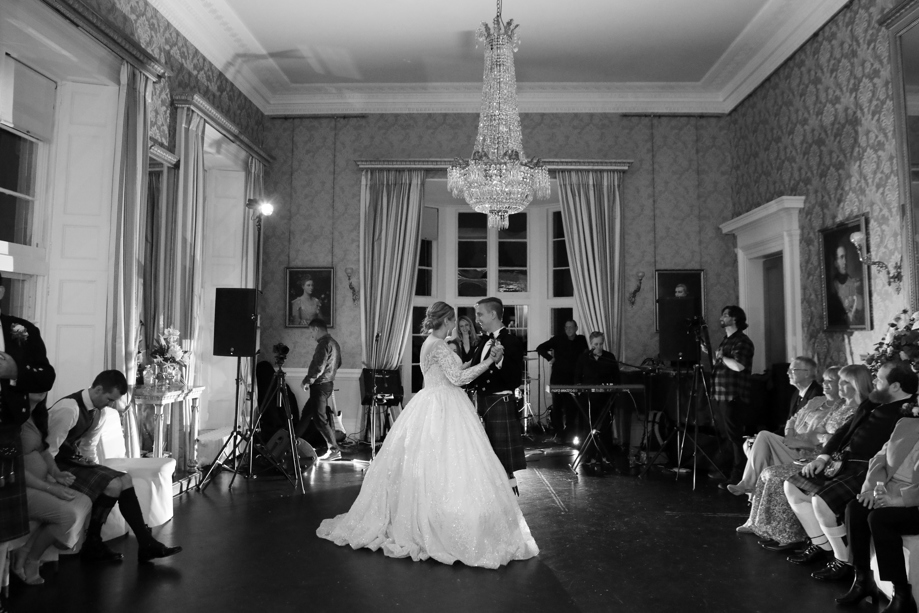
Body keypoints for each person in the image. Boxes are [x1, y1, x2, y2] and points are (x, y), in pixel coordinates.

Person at [316, 302, 538, 568]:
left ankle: (436, 512)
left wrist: (475, 361)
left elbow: (452, 370)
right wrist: (490, 361)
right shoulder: (439, 346)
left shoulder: (430, 343)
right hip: (445, 405)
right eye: (453, 321)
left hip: (435, 401)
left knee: (436, 461)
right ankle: (439, 521)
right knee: (449, 461)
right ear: (445, 321)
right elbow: (458, 379)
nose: (456, 325)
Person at [783, 361, 917, 582]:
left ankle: (842, 561)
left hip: (865, 467)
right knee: (793, 486)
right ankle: (821, 545)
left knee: (821, 502)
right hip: (840, 461)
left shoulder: (909, 412)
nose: (875, 382)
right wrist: (822, 457)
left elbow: (891, 455)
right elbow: (844, 430)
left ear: (895, 386)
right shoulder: (873, 401)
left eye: (880, 379)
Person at [47, 370, 182, 563]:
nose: (110, 404)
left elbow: (88, 448)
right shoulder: (69, 409)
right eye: (109, 399)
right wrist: (53, 478)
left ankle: (145, 543)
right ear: (98, 389)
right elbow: (49, 449)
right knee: (111, 484)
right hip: (57, 465)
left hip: (73, 461)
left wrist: (97, 470)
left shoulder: (98, 412)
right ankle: (95, 543)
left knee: (124, 479)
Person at [739, 364, 868, 550]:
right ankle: (769, 529)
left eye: (844, 382)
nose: (839, 385)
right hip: (820, 456)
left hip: (836, 463)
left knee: (777, 476)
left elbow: (847, 441)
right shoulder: (840, 406)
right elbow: (818, 433)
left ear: (857, 384)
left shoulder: (860, 410)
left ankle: (791, 536)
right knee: (768, 468)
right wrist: (821, 438)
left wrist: (822, 439)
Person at [0, 270, 56, 596]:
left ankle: (2, 592)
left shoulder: (22, 331)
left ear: (1, 292)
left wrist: (15, 372)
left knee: (1, 529)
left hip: (5, 436)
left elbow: (46, 377)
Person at [837, 409, 919, 611]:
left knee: (880, 518)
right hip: (889, 491)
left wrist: (899, 500)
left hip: (913, 501)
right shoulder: (906, 424)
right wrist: (872, 489)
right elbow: (879, 458)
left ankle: (902, 595)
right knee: (855, 508)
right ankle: (863, 581)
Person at [13, 393, 91, 585]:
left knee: (84, 501)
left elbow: (44, 450)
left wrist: (56, 473)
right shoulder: (11, 418)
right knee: (68, 515)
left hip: (41, 481)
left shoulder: (36, 415)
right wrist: (49, 488)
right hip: (19, 487)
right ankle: (31, 559)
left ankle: (24, 552)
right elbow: (14, 466)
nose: (41, 391)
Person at [726, 366, 842, 496]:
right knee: (755, 441)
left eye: (830, 381)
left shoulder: (839, 409)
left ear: (841, 384)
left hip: (809, 453)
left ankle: (749, 487)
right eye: (824, 380)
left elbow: (829, 442)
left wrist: (798, 443)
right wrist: (790, 437)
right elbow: (792, 420)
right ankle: (751, 489)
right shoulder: (817, 400)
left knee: (763, 440)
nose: (824, 384)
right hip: (792, 445)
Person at [469, 297, 527, 495]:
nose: (477, 319)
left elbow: (514, 380)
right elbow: (474, 371)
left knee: (502, 454)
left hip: (500, 402)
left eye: (480, 314)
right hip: (483, 401)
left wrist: (500, 361)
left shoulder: (512, 341)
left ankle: (508, 492)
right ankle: (492, 494)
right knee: (487, 452)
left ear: (493, 314)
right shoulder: (482, 341)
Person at [707, 305, 754, 484]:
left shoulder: (742, 341)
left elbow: (738, 366)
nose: (722, 318)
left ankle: (738, 475)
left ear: (735, 319)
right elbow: (720, 362)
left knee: (734, 436)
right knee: (726, 434)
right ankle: (726, 469)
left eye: (725, 315)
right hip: (721, 394)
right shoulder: (726, 340)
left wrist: (721, 358)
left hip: (733, 395)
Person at [296, 319, 342, 461]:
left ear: (316, 329)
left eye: (311, 332)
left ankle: (334, 450)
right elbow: (338, 363)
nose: (311, 335)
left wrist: (308, 380)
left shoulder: (323, 344)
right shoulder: (334, 343)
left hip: (320, 386)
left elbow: (318, 367)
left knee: (320, 419)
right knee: (306, 415)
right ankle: (291, 442)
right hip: (327, 385)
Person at [536, 320, 588, 443]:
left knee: (572, 407)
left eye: (571, 327)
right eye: (566, 327)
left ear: (576, 328)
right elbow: (540, 348)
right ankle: (559, 433)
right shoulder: (558, 339)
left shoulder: (581, 340)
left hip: (573, 378)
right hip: (558, 378)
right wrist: (550, 358)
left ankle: (570, 433)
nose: (569, 329)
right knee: (557, 407)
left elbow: (586, 355)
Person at [574, 332, 621, 465]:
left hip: (605, 398)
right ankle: (588, 455)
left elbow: (617, 379)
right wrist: (579, 389)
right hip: (588, 398)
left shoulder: (609, 357)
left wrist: (614, 389)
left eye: (601, 344)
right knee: (587, 426)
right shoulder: (584, 358)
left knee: (605, 426)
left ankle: (605, 455)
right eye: (596, 344)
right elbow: (577, 377)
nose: (599, 347)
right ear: (591, 344)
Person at [827, 245, 864, 327]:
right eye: (841, 257)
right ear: (835, 263)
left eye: (845, 257)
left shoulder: (854, 283)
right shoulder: (832, 286)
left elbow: (859, 309)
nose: (845, 262)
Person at [787, 356, 824, 421]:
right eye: (788, 370)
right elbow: (790, 422)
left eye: (792, 370)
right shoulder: (796, 393)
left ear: (807, 373)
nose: (788, 373)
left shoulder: (817, 395)